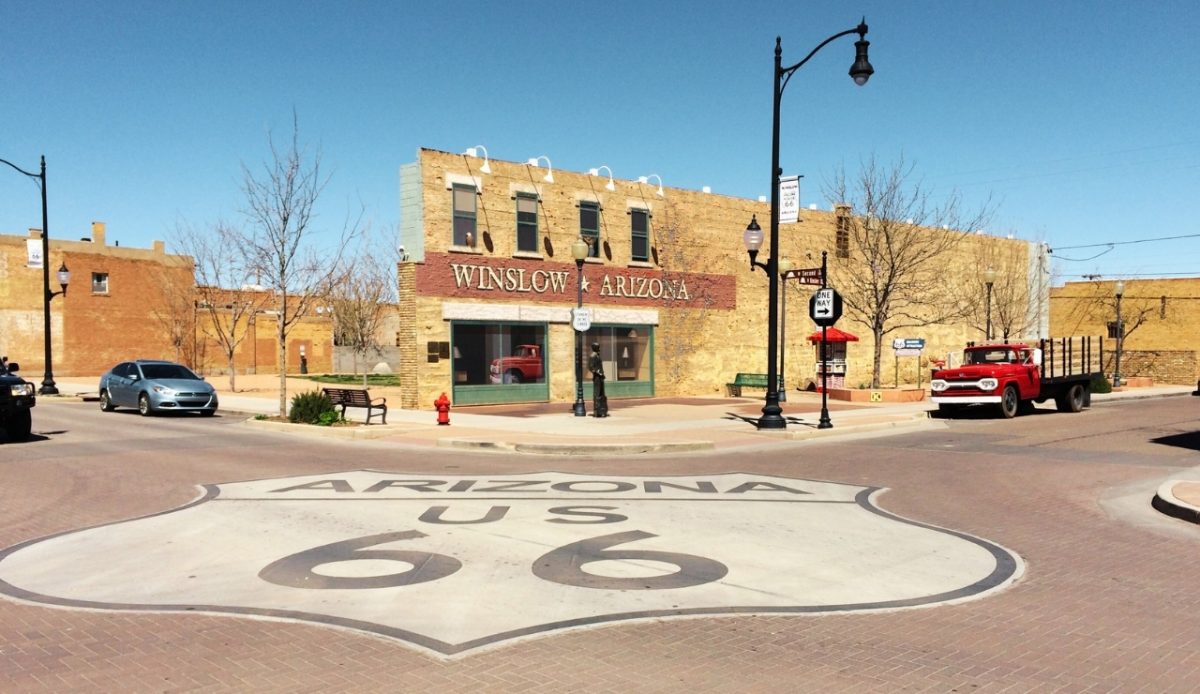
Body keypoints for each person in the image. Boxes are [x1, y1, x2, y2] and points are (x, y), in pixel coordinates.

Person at [588, 342, 608, 418]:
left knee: (602, 393)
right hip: (597, 377)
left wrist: (602, 374)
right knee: (597, 393)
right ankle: (597, 410)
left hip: (601, 377)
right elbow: (591, 367)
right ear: (594, 348)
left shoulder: (597, 355)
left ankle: (602, 409)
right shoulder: (592, 356)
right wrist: (598, 373)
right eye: (598, 347)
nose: (599, 348)